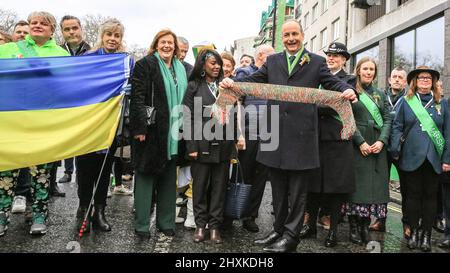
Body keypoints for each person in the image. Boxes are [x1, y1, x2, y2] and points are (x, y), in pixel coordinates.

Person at [220, 20, 357, 253]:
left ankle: (291, 237)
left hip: (303, 136)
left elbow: (332, 82)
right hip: (275, 133)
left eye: (295, 34)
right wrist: (233, 83)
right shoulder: (273, 61)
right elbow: (254, 81)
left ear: (302, 36)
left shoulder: (316, 62)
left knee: (298, 190)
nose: (291, 38)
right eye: (286, 35)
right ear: (281, 38)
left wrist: (347, 89)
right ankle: (278, 230)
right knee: (278, 189)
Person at [0, 11, 70, 237]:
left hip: (43, 124)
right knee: (6, 173)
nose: (37, 26)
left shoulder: (61, 54)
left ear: (52, 29)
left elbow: (69, 86)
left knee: (41, 174)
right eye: (33, 23)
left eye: (43, 23)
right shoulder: (8, 50)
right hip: (11, 123)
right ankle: (2, 217)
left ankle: (39, 216)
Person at [130, 28, 187, 239]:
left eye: (170, 43)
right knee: (145, 178)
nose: (167, 46)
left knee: (168, 178)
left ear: (175, 47)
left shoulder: (181, 68)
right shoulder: (145, 64)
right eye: (163, 42)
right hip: (150, 131)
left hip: (174, 133)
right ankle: (142, 225)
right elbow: (137, 98)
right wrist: (139, 129)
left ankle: (166, 223)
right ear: (155, 44)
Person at [75, 19, 130, 233]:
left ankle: (99, 211)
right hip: (87, 124)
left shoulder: (124, 60)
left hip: (109, 125)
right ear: (102, 35)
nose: (113, 39)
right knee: (84, 170)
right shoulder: (88, 58)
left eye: (117, 36)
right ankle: (83, 208)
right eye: (109, 35)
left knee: (104, 169)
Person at [299, 42, 356, 247]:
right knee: (313, 185)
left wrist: (315, 104)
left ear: (344, 60)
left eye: (336, 56)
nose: (331, 58)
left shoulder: (349, 79)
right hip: (313, 137)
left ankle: (333, 232)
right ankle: (311, 226)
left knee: (335, 187)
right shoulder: (317, 76)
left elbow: (337, 105)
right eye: (329, 55)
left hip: (337, 140)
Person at [390, 66, 450, 252]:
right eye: (421, 77)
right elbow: (397, 127)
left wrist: (447, 158)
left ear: (433, 82)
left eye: (428, 78)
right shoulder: (405, 101)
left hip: (434, 158)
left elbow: (448, 133)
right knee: (413, 197)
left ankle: (426, 235)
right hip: (410, 157)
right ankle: (414, 232)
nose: (425, 80)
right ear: (414, 81)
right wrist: (395, 150)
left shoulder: (443, 103)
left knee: (431, 198)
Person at [183, 49, 235, 244]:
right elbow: (187, 118)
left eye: (219, 63)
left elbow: (233, 116)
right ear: (202, 65)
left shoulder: (227, 88)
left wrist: (233, 144)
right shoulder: (194, 87)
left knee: (219, 188)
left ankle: (215, 227)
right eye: (213, 63)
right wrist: (191, 147)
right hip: (201, 145)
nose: (217, 66)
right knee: (200, 188)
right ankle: (200, 226)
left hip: (223, 146)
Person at [344, 57, 391, 245]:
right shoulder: (351, 92)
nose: (369, 72)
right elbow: (347, 119)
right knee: (358, 188)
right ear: (358, 70)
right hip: (358, 146)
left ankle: (365, 225)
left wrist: (382, 141)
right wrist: (360, 142)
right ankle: (354, 227)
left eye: (372, 69)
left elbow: (388, 119)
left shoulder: (380, 93)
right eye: (365, 68)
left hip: (377, 147)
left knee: (372, 189)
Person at [234, 44, 275, 233]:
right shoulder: (245, 73)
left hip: (269, 134)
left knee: (260, 178)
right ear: (261, 56)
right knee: (244, 175)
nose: (275, 60)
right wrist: (239, 133)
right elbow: (237, 103)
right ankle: (234, 211)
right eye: (272, 56)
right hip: (249, 134)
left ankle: (251, 216)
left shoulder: (274, 77)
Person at [371, 67, 408, 234]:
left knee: (407, 187)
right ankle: (380, 220)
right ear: (389, 79)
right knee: (380, 186)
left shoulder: (410, 99)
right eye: (395, 76)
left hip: (403, 149)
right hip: (383, 146)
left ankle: (407, 223)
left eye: (401, 77)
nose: (397, 79)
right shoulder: (380, 96)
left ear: (405, 81)